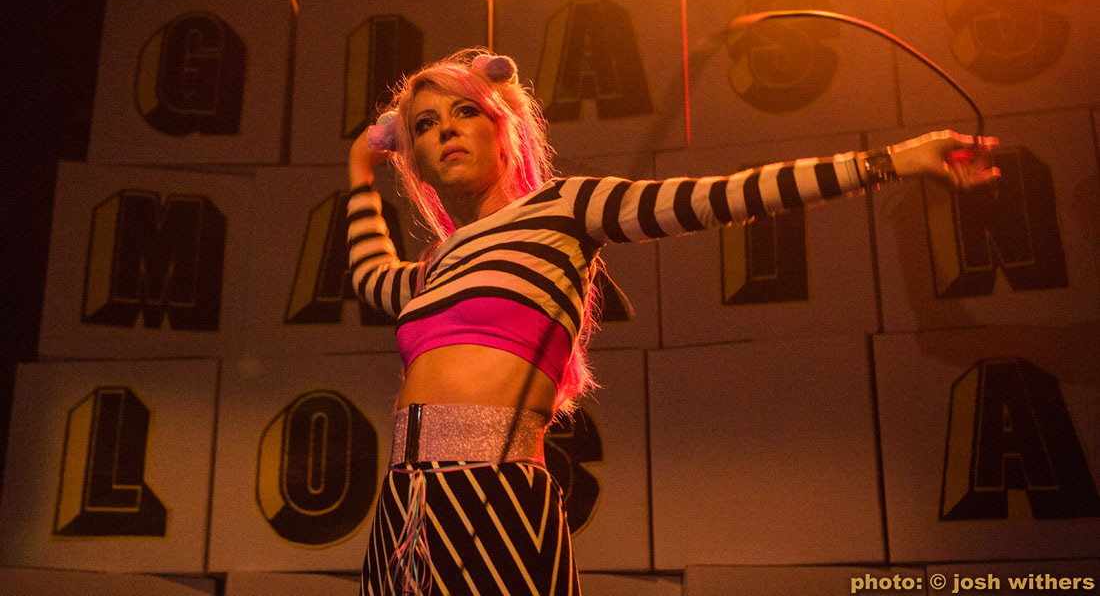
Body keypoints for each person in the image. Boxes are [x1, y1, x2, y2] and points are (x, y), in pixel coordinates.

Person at [346, 48, 999, 595]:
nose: (447, 129)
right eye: (426, 124)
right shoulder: (435, 266)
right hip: (403, 505)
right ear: (416, 157)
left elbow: (723, 196)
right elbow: (370, 274)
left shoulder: (565, 208)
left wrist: (893, 160)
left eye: (465, 111)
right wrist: (359, 168)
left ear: (503, 127)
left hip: (497, 489)